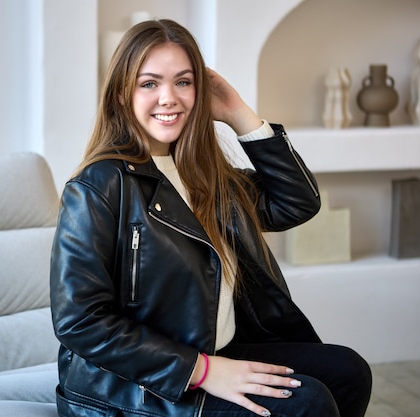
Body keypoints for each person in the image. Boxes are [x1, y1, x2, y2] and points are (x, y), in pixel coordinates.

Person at [50, 18, 371, 417]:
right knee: (307, 403)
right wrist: (202, 370)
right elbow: (81, 322)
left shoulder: (204, 174)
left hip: (215, 350)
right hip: (137, 383)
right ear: (121, 94)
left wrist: (238, 114)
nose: (169, 98)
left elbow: (297, 202)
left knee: (348, 371)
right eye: (149, 83)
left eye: (183, 82)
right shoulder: (98, 186)